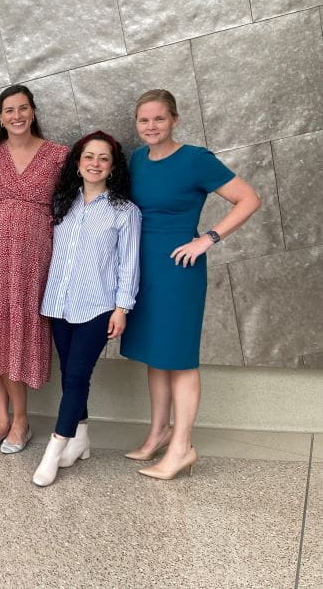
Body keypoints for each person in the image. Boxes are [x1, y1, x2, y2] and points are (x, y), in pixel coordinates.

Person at [121, 89, 260, 480]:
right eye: (144, 120)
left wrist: (207, 239)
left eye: (159, 119)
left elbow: (249, 199)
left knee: (179, 358)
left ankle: (182, 447)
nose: (151, 126)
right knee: (156, 354)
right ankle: (157, 435)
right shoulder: (136, 159)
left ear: (175, 120)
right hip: (142, 267)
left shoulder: (196, 159)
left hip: (178, 271)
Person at [0, 85, 68, 454]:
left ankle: (21, 421)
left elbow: (73, 205)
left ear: (33, 111)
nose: (17, 116)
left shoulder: (58, 155)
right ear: (0, 116)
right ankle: (2, 418)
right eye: (9, 110)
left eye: (23, 108)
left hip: (32, 260)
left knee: (19, 332)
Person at [32, 132, 141, 486]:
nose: (95, 164)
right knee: (69, 375)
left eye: (103, 158)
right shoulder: (63, 203)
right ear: (78, 163)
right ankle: (81, 439)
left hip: (98, 307)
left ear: (112, 166)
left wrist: (122, 307)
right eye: (88, 157)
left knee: (77, 377)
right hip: (59, 303)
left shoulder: (124, 212)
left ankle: (54, 449)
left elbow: (129, 264)